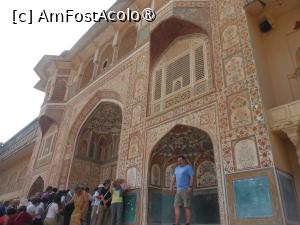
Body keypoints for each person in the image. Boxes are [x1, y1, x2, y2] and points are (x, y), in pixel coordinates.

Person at [170, 155, 195, 225]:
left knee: (187, 206)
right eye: (178, 161)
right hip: (178, 190)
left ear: (184, 160)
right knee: (176, 206)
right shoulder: (176, 168)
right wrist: (171, 185)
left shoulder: (188, 167)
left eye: (180, 160)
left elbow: (192, 177)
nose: (179, 162)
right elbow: (174, 177)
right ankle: (177, 223)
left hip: (186, 189)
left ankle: (188, 222)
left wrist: (190, 186)